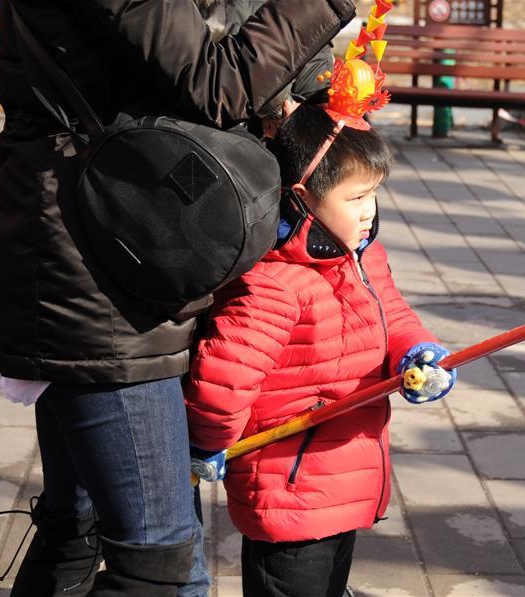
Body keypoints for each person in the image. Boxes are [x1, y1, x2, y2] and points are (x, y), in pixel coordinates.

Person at [0, 1, 356, 595]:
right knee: (161, 567)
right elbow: (218, 83)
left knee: (75, 530)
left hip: (112, 240)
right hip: (98, 273)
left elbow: (195, 40)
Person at [183, 20, 458, 594]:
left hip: (346, 477)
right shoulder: (276, 283)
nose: (368, 212)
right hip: (291, 487)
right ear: (303, 196)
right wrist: (204, 445)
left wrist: (418, 352)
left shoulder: (361, 256)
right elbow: (224, 378)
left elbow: (393, 317)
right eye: (355, 198)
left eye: (374, 195)